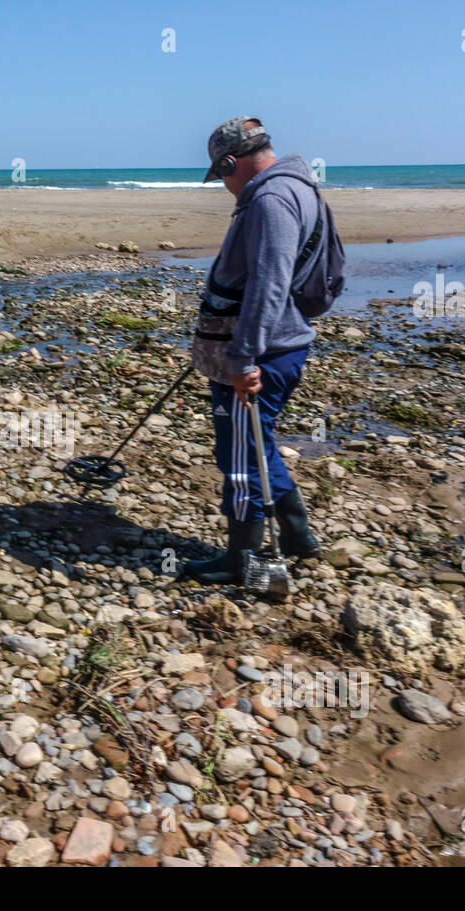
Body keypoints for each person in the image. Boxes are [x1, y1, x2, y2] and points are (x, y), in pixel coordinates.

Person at [182, 115, 322, 584]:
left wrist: (243, 359)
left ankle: (241, 561)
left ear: (229, 162)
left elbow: (269, 283)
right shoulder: (296, 187)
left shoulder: (271, 198)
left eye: (220, 174)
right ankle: (300, 538)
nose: (223, 184)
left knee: (241, 459)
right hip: (270, 345)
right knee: (253, 448)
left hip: (260, 354)